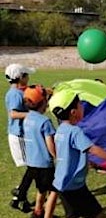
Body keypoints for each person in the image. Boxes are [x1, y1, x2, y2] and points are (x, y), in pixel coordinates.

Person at [48, 89, 106, 218]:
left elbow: (70, 153)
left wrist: (93, 164)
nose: (83, 106)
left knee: (90, 214)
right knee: (97, 214)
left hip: (65, 183)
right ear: (73, 112)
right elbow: (93, 149)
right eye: (80, 104)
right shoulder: (75, 131)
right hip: (72, 185)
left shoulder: (61, 130)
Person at [23, 85, 58, 218]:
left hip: (32, 162)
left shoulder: (27, 118)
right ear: (43, 103)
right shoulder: (45, 121)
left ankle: (38, 211)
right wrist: (57, 156)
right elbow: (50, 143)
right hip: (45, 163)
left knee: (41, 188)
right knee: (53, 190)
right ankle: (47, 215)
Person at [5, 63, 35, 212]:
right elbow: (14, 114)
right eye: (26, 75)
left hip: (23, 134)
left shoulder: (18, 92)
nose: (28, 77)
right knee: (33, 167)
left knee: (33, 167)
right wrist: (33, 115)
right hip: (19, 135)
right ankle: (20, 196)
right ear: (20, 77)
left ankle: (19, 196)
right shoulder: (15, 94)